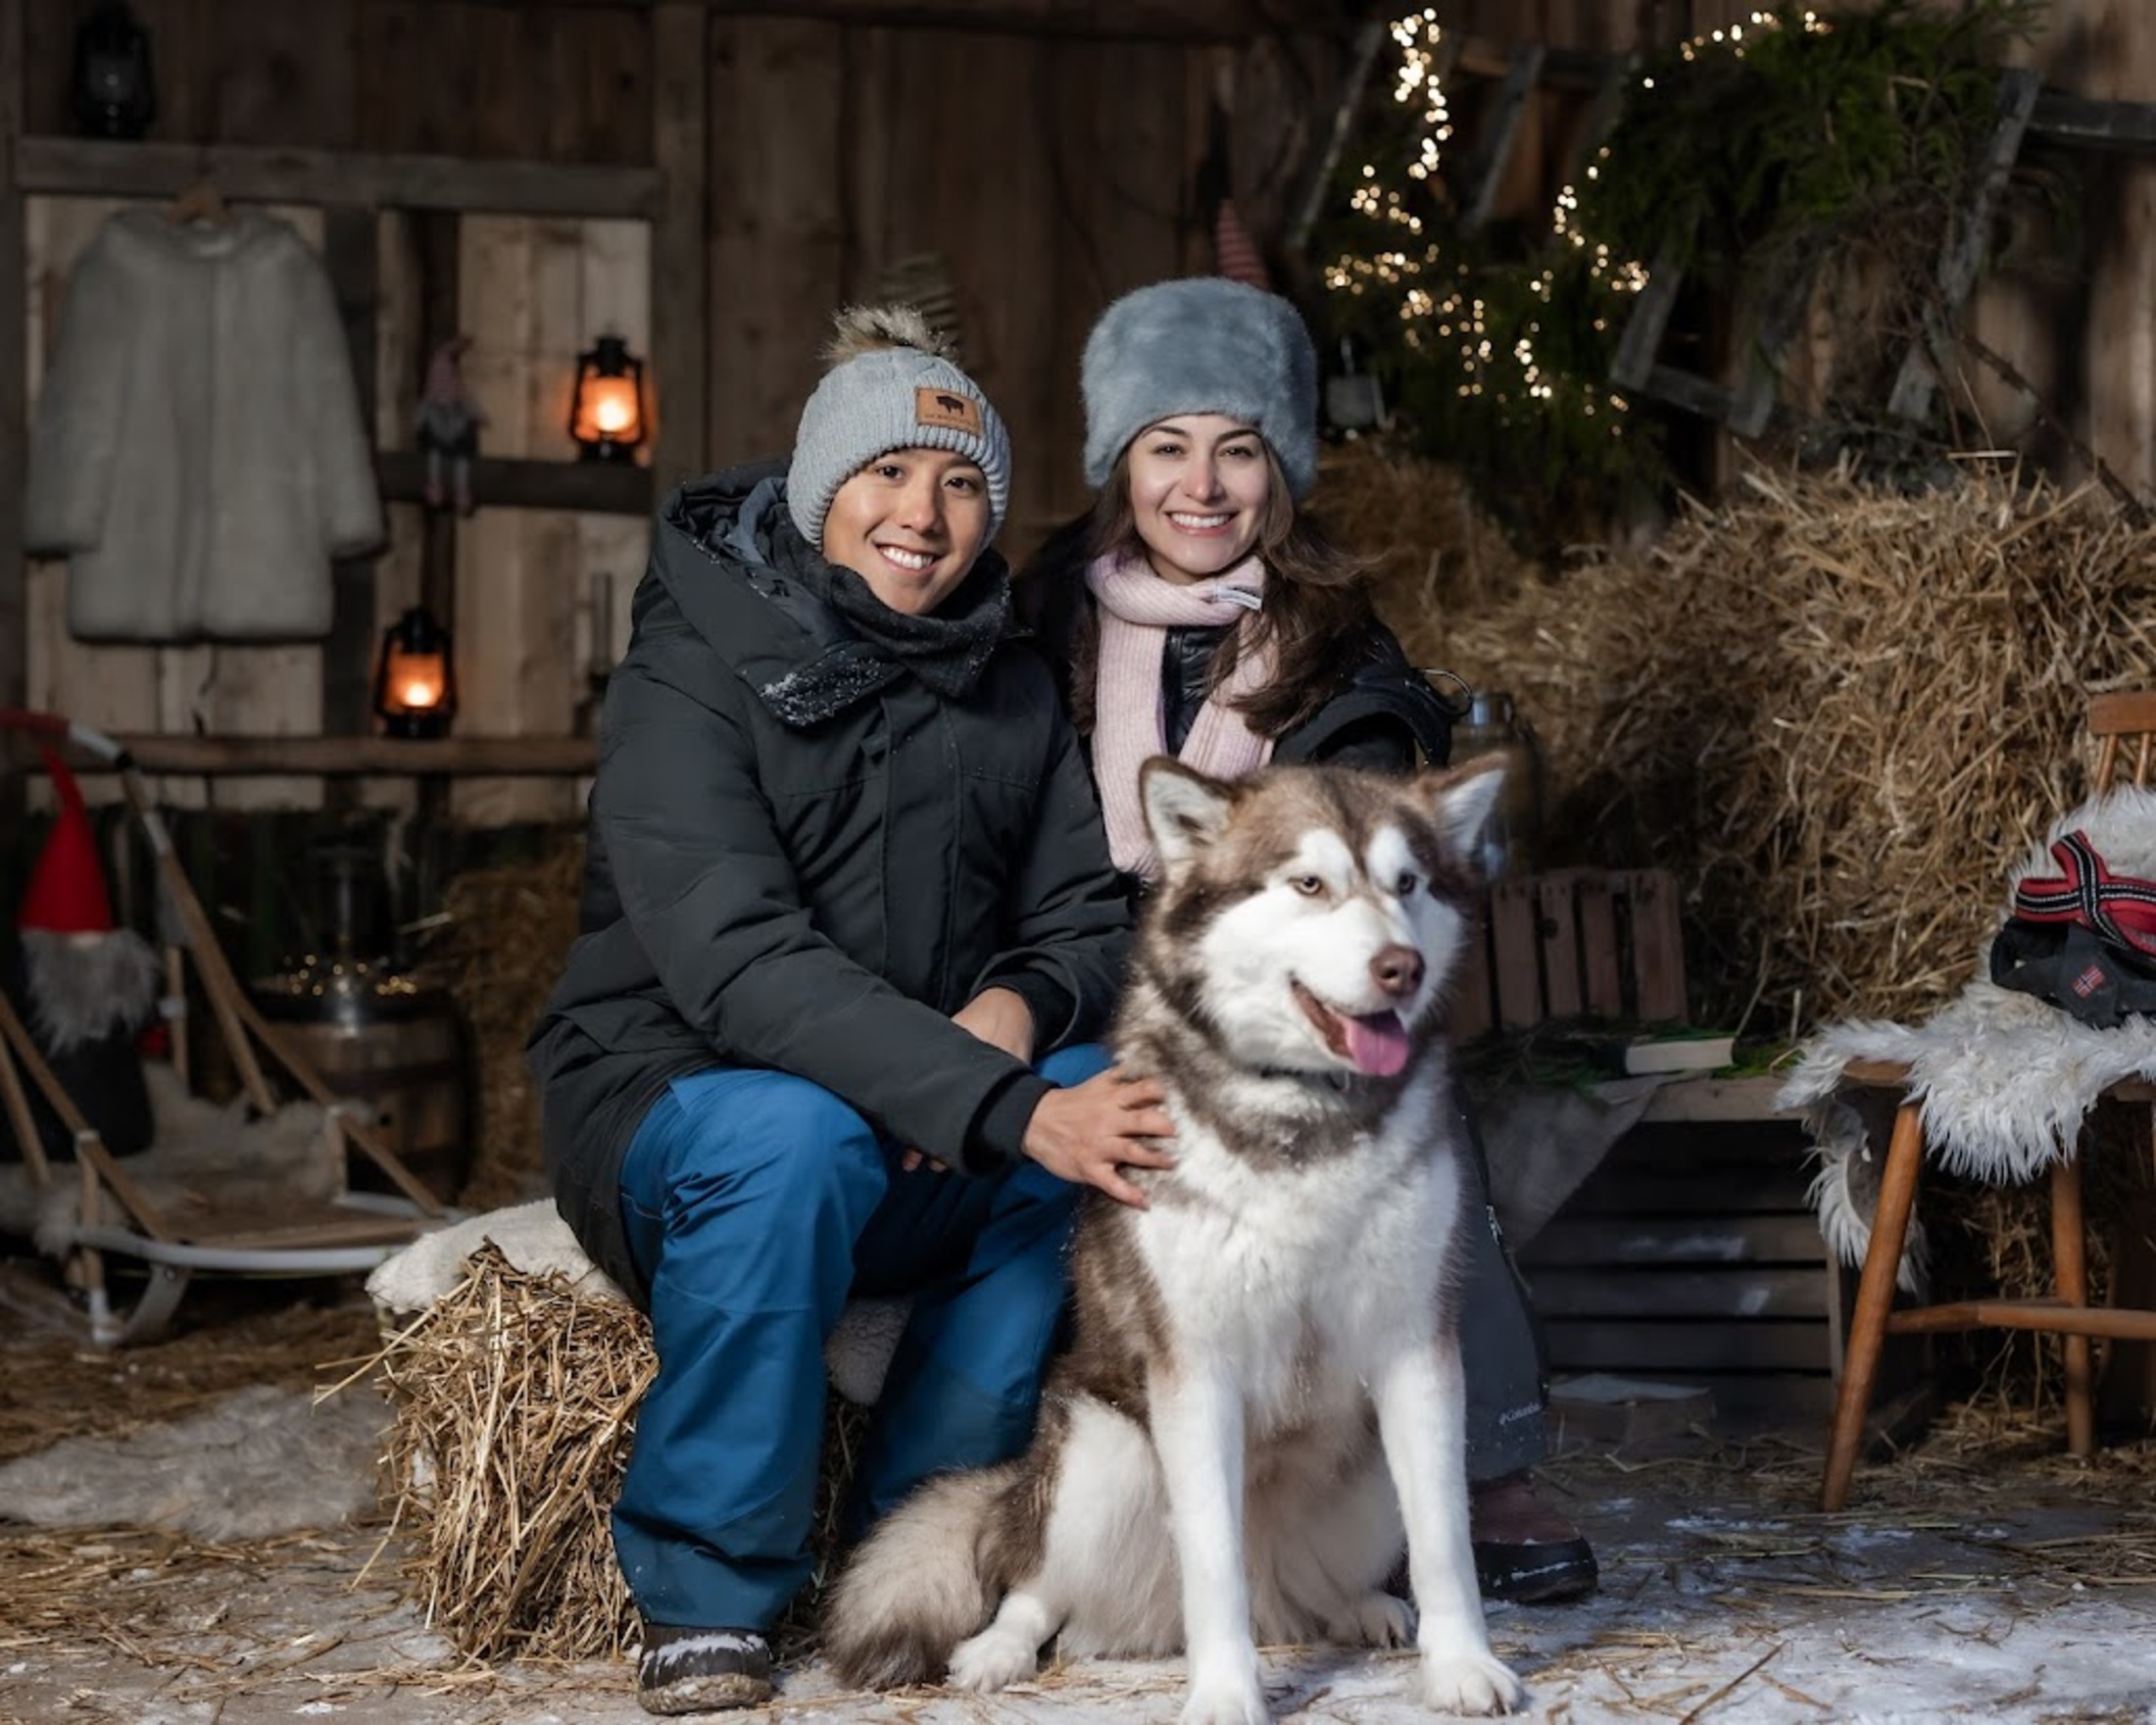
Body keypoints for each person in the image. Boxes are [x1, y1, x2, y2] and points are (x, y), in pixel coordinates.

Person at [528, 305, 1173, 1717]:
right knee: (797, 1136)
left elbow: (1083, 918)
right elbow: (736, 962)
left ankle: (906, 1554)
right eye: (887, 474)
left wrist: (1010, 1016)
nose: (923, 516)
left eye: (959, 486)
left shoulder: (1005, 683)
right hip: (680, 1097)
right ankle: (710, 1593)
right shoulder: (692, 668)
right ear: (824, 487)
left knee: (1098, 1118)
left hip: (925, 1103)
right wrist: (982, 1097)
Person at [1017, 274, 1598, 1605]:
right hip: (1065, 972)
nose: (1202, 485)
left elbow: (1370, 846)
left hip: (1265, 992)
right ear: (1120, 464)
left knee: (1408, 1109)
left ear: (1281, 470)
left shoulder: (1343, 653)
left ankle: (1488, 1464)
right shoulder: (1039, 628)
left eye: (1239, 449)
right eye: (1167, 447)